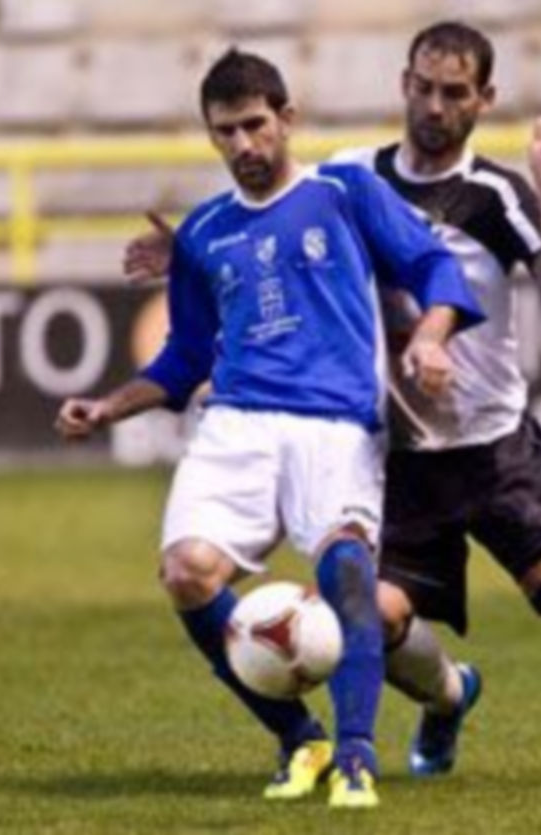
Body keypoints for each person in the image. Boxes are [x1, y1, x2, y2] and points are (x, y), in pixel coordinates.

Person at [123, 24, 541, 789]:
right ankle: (450, 695)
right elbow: (271, 219)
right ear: (404, 84)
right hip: (398, 454)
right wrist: (193, 254)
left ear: (484, 99)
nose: (435, 104)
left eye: (455, 92)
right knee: (381, 619)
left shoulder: (495, 192)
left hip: (491, 441)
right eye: (424, 86)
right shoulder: (352, 176)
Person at [56, 48, 483, 810]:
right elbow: (186, 357)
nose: (244, 146)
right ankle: (299, 736)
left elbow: (432, 268)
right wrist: (107, 405)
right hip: (238, 424)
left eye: (256, 125)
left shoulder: (345, 191)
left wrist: (431, 336)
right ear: (210, 135)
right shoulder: (206, 232)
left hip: (335, 423)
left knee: (346, 573)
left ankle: (356, 753)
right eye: (226, 132)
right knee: (187, 572)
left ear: (287, 119)